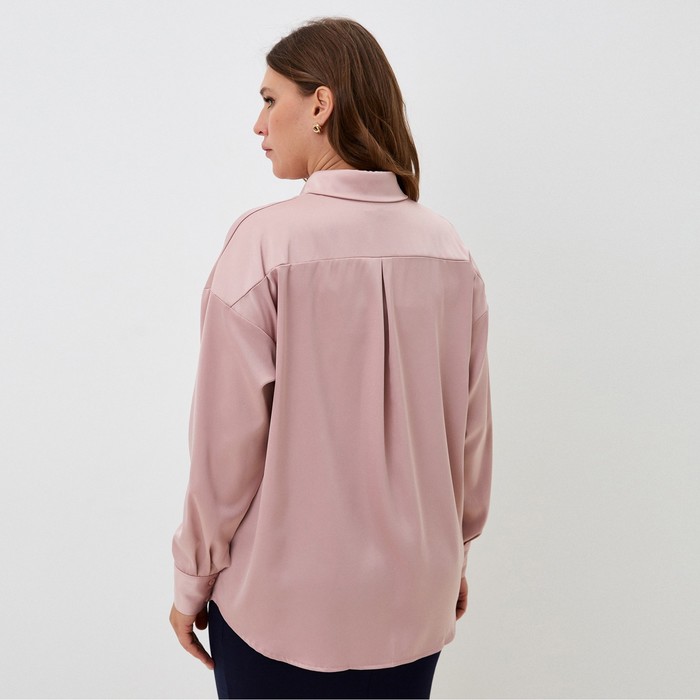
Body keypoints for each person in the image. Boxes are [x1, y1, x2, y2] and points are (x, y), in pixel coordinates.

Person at [169, 16, 493, 700]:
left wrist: (192, 579)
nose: (259, 125)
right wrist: (453, 554)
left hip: (280, 606)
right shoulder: (448, 250)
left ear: (320, 104)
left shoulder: (265, 245)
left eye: (270, 99)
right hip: (415, 595)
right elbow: (469, 435)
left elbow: (225, 448)